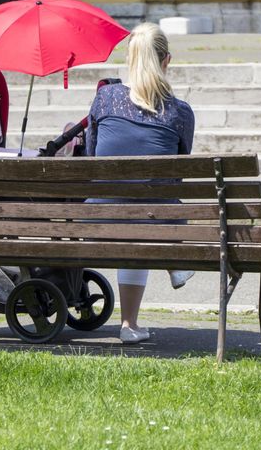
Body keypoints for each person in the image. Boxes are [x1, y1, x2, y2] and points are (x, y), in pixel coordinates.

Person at [85, 22, 196, 344]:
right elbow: (177, 172)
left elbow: (93, 156)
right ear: (167, 61)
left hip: (98, 219)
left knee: (124, 206)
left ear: (130, 59)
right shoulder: (179, 112)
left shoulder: (105, 98)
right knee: (149, 209)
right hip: (153, 221)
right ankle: (130, 323)